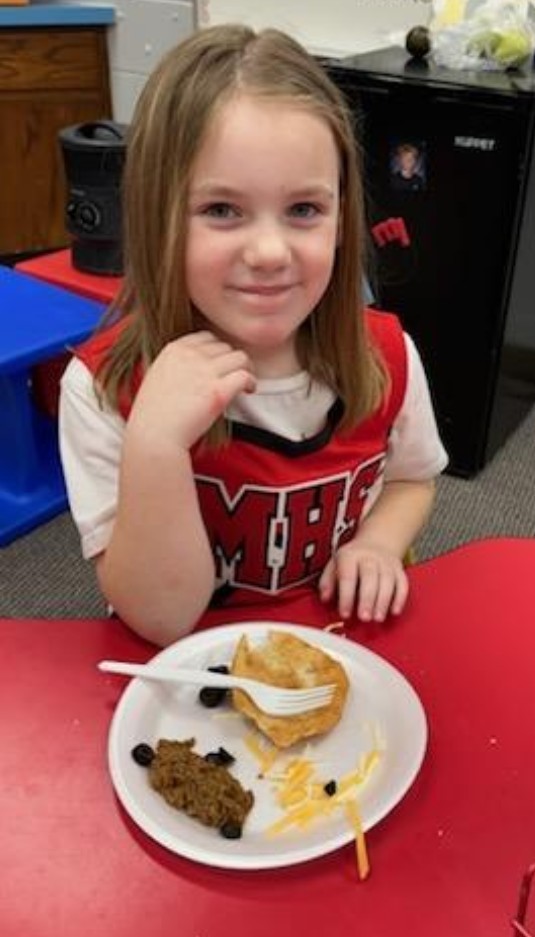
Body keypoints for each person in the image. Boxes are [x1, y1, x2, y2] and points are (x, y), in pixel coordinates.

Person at [59, 25, 448, 647]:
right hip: (187, 672)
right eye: (221, 210)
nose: (269, 252)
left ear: (342, 218)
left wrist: (378, 543)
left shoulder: (387, 357)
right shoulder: (105, 388)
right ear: (157, 217)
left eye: (303, 210)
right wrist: (156, 444)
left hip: (340, 650)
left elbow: (410, 479)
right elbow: (162, 620)